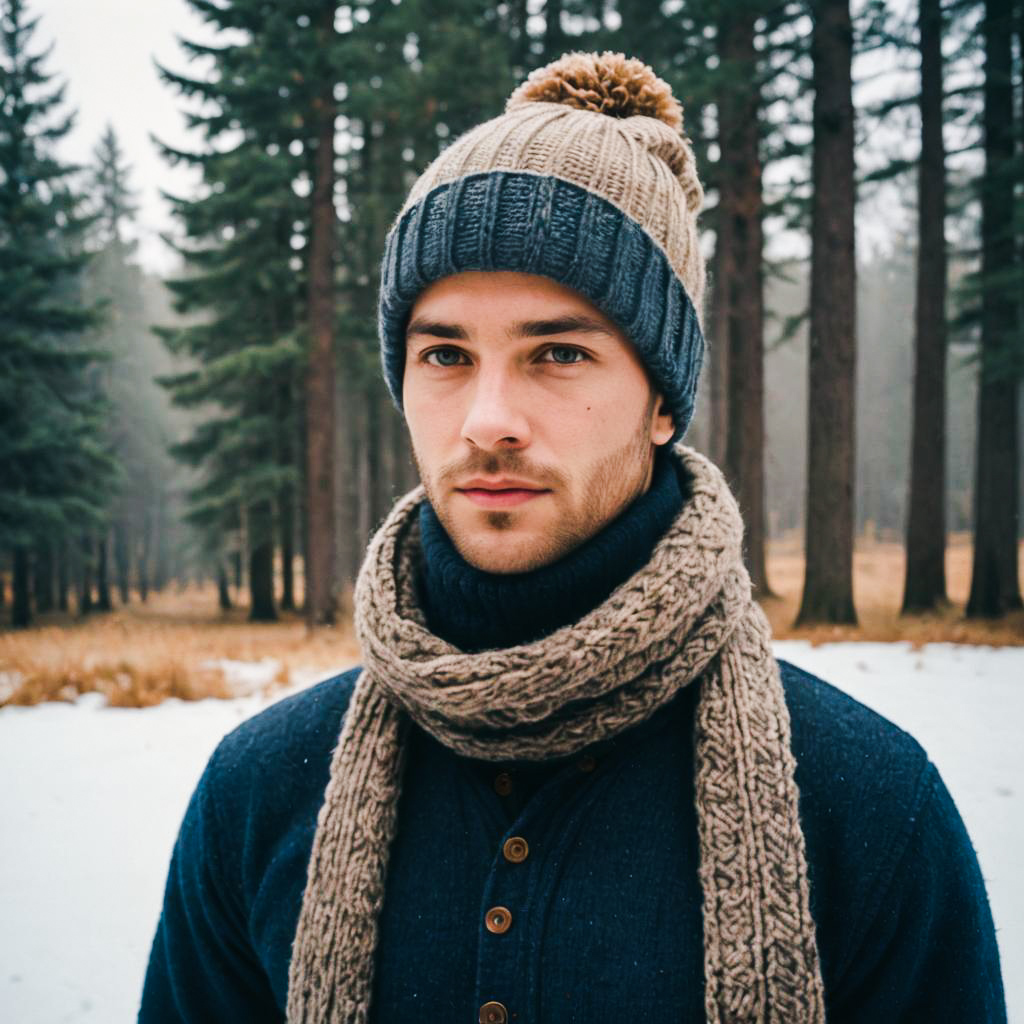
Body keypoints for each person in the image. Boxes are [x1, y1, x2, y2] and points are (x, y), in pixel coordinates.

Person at [139, 52, 1006, 1024]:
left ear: (663, 402)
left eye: (557, 352)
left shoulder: (868, 807)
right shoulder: (258, 793)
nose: (487, 418)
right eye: (444, 355)